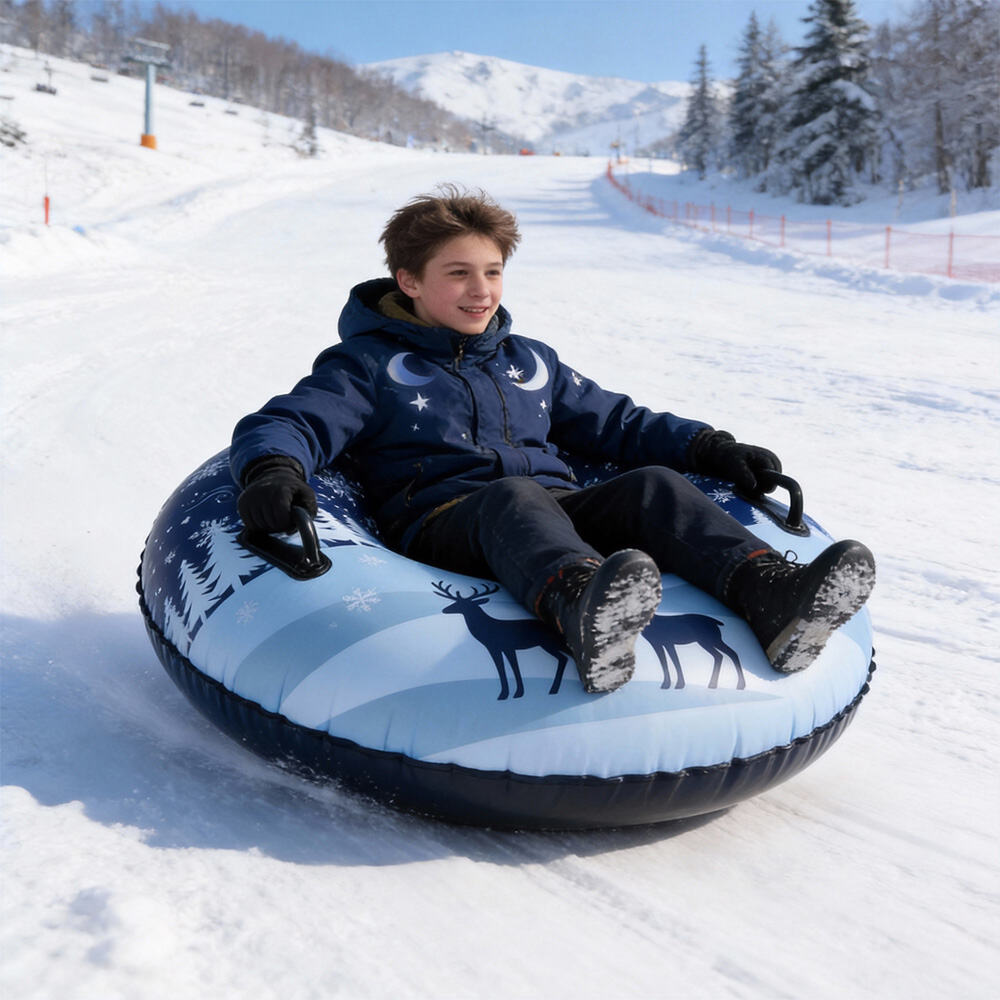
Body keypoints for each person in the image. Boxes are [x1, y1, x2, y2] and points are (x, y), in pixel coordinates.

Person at [231, 185, 875, 694]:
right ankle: (581, 610)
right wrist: (272, 471)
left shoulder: (529, 360)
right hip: (450, 519)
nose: (480, 291)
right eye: (457, 274)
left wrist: (710, 446)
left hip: (554, 509)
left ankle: (774, 596)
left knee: (652, 486)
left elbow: (618, 422)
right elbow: (294, 419)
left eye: (492, 272)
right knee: (514, 495)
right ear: (409, 281)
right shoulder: (370, 366)